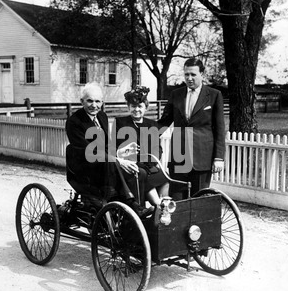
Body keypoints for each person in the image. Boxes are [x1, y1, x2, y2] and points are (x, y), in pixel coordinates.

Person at [65, 82, 153, 218]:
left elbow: (106, 147)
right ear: (81, 101)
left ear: (102, 102)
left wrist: (120, 153)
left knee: (139, 172)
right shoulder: (74, 122)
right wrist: (118, 160)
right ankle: (131, 205)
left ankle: (132, 220)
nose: (94, 105)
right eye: (89, 101)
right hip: (85, 169)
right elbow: (89, 151)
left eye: (97, 101)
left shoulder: (102, 116)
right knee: (114, 164)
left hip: (105, 165)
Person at [158, 58, 225, 200]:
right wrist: (144, 136)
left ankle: (197, 224)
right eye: (186, 74)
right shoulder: (176, 94)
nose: (189, 78)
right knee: (176, 200)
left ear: (202, 74)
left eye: (193, 75)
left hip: (202, 157)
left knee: (199, 200)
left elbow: (219, 128)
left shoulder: (214, 95)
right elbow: (164, 122)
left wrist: (219, 157)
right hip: (179, 155)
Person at [113, 86, 169, 207]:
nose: (136, 109)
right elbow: (116, 148)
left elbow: (158, 149)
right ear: (128, 107)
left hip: (149, 165)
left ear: (146, 108)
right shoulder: (121, 123)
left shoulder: (152, 125)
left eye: (140, 106)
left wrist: (154, 160)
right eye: (133, 106)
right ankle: (159, 206)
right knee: (142, 174)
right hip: (130, 166)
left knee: (165, 178)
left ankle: (165, 205)